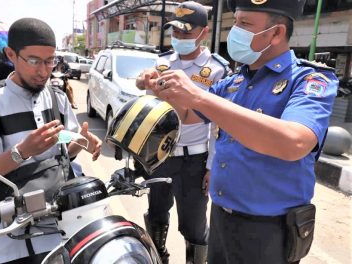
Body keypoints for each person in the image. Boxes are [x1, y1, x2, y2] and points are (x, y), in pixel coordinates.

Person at [137, 0, 338, 263]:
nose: (235, 32)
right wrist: (160, 88)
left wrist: (197, 96)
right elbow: (189, 116)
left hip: (268, 229)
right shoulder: (235, 83)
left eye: (244, 24)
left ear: (276, 33)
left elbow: (294, 142)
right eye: (235, 23)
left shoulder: (308, 80)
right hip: (221, 216)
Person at [0, 18, 102, 264]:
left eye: (50, 61)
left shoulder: (57, 98)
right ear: (11, 55)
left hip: (60, 218)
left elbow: (65, 149)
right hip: (8, 227)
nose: (44, 70)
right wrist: (21, 152)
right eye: (34, 61)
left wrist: (82, 141)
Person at [135, 2, 230, 263]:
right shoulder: (162, 62)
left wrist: (212, 166)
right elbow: (152, 111)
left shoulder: (217, 69)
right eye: (175, 33)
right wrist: (143, 82)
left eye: (186, 34)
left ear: (204, 32)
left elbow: (218, 126)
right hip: (161, 156)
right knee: (156, 215)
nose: (178, 39)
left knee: (194, 226)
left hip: (195, 162)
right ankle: (159, 257)